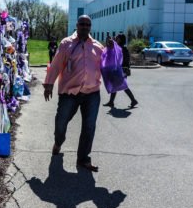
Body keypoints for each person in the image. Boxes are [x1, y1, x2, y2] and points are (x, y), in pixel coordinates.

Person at [43, 15, 104, 172]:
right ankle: (58, 142)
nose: (84, 27)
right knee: (61, 123)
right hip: (69, 92)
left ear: (90, 27)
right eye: (82, 24)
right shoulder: (66, 43)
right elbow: (56, 64)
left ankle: (83, 159)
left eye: (87, 24)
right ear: (77, 25)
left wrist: (112, 52)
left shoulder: (98, 46)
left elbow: (108, 66)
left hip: (92, 92)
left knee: (89, 126)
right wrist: (49, 83)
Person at [103, 35, 138, 108]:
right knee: (115, 85)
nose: (116, 39)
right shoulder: (119, 47)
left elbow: (123, 60)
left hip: (122, 70)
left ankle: (133, 100)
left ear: (121, 40)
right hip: (119, 70)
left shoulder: (122, 49)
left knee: (123, 86)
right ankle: (111, 102)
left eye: (117, 38)